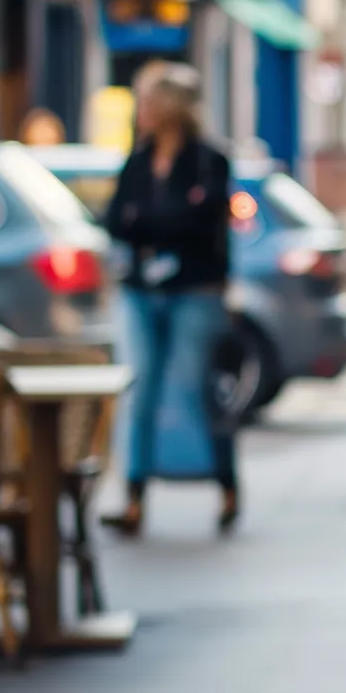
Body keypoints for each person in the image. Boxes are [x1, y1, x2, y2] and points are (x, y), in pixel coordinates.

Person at [103, 63, 238, 536]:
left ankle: (225, 484)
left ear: (168, 108)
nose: (141, 111)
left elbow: (201, 226)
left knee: (197, 387)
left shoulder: (209, 162)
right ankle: (134, 495)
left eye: (147, 101)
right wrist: (164, 227)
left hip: (195, 291)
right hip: (142, 290)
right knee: (138, 391)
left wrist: (154, 227)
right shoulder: (137, 161)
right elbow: (117, 221)